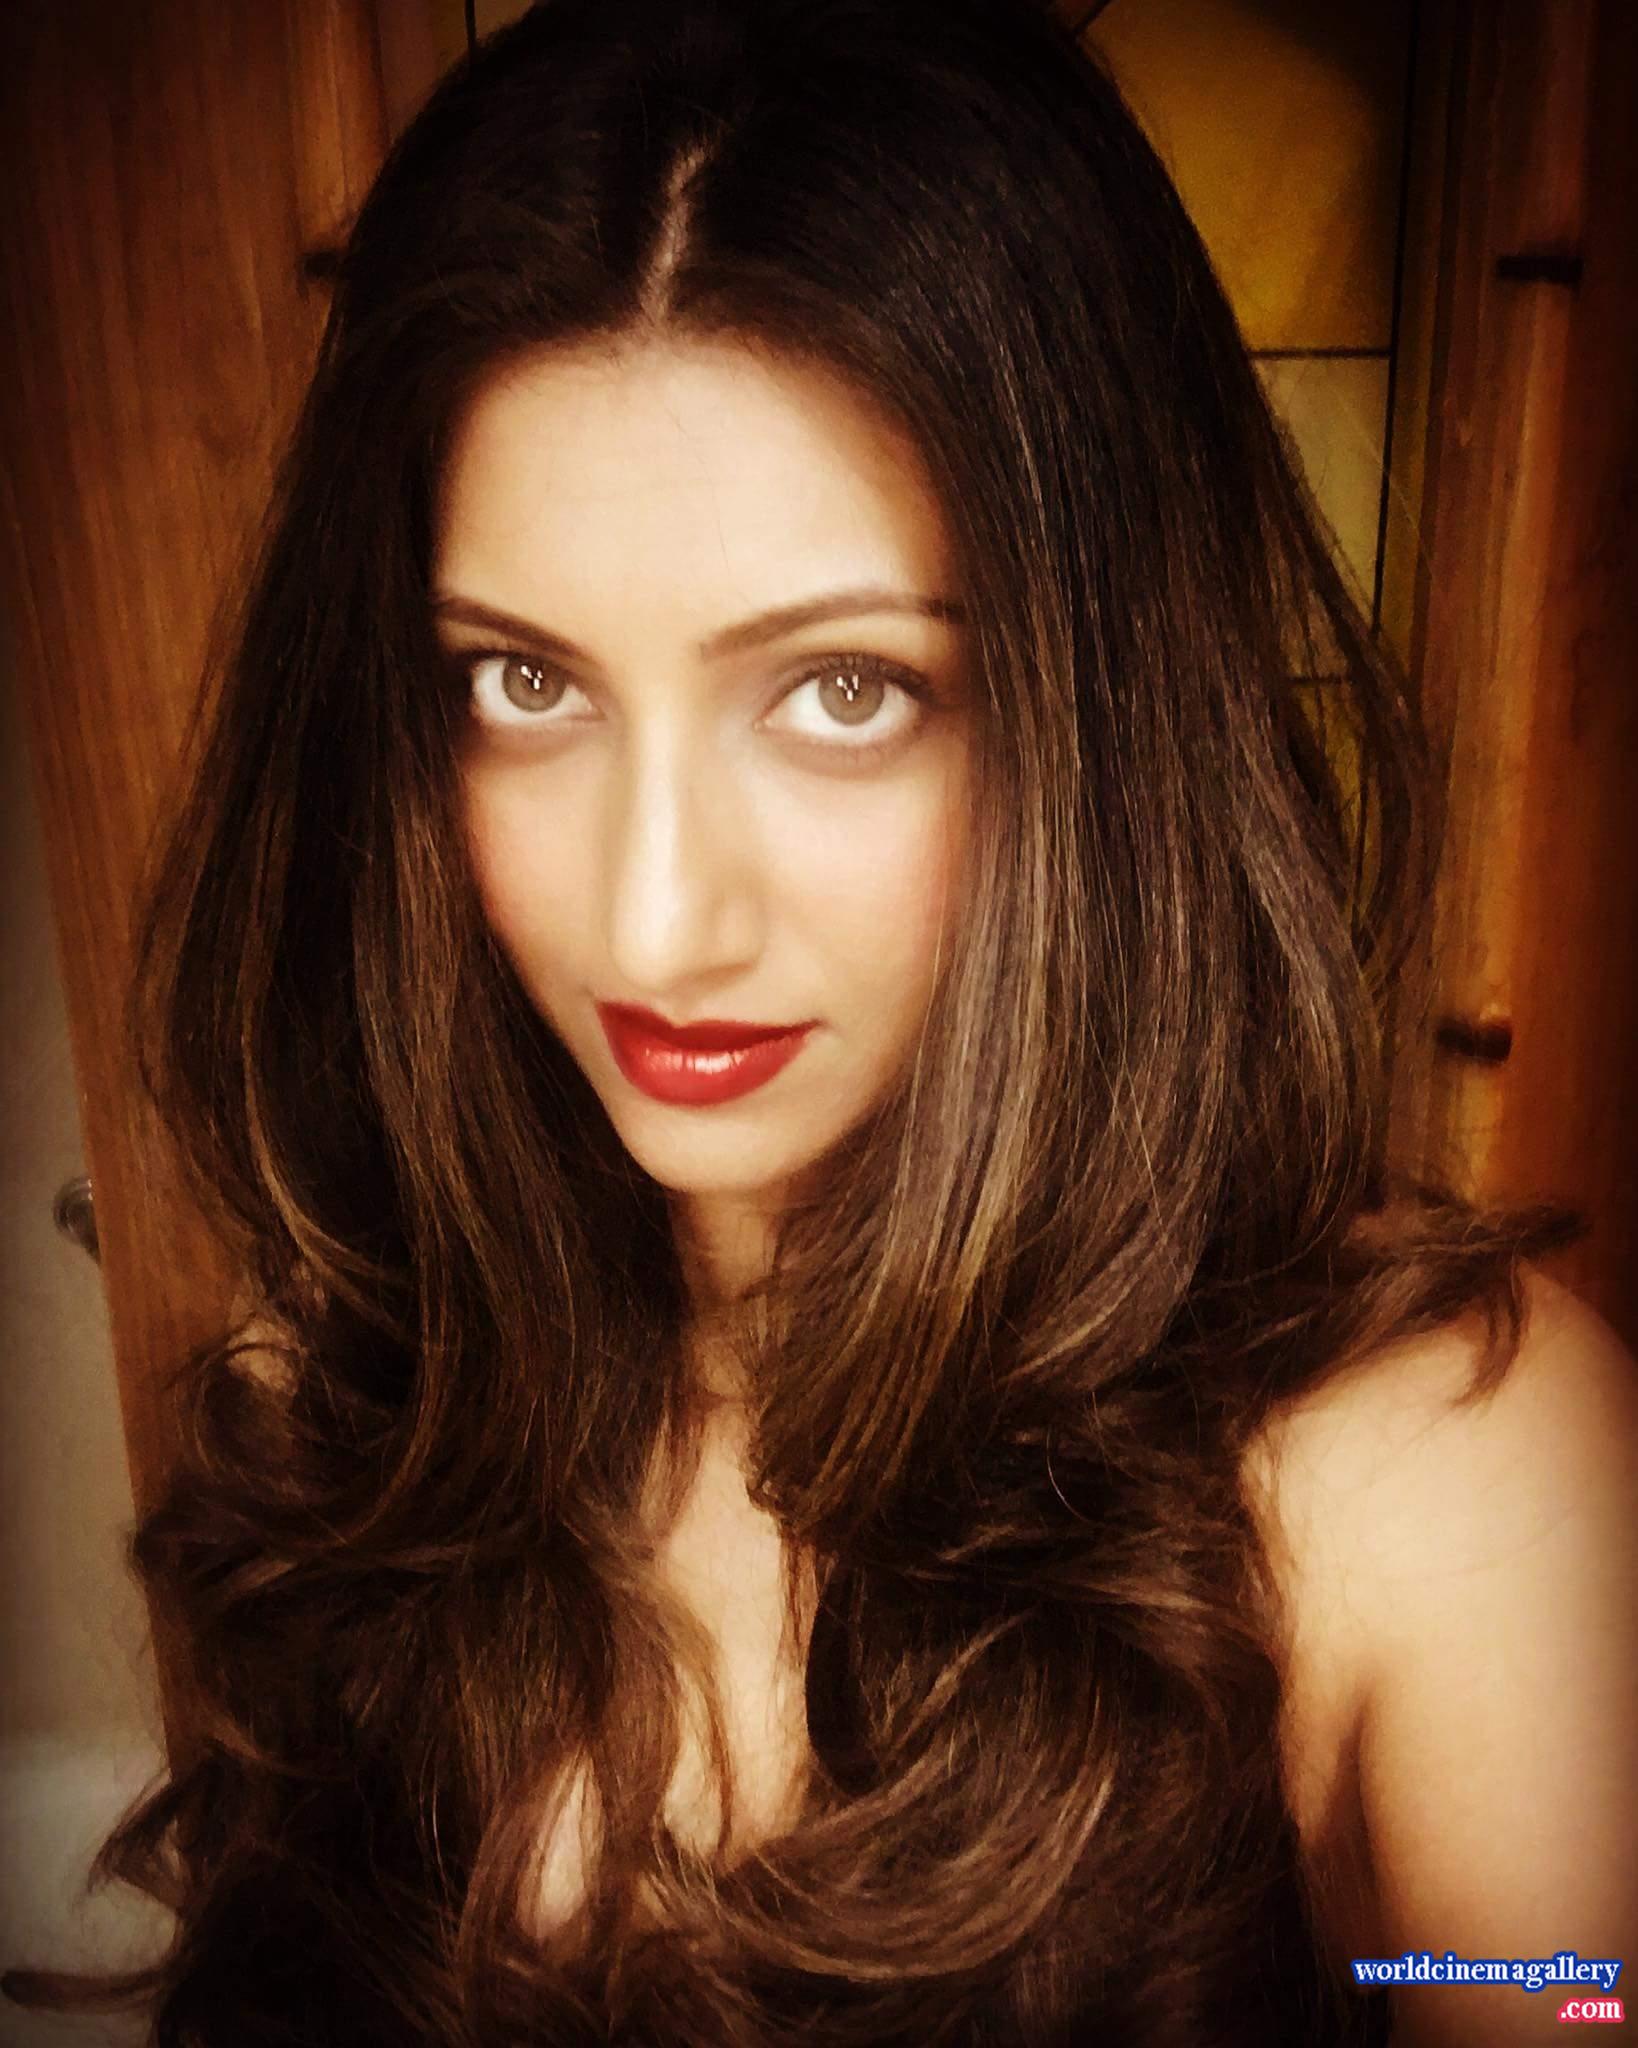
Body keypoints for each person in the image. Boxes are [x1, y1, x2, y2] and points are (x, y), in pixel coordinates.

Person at [6, 1, 1635, 2042]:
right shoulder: (371, 1367)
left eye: (843, 690)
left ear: (1102, 713)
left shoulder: (1444, 1488)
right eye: (524, 683)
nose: (654, 921)